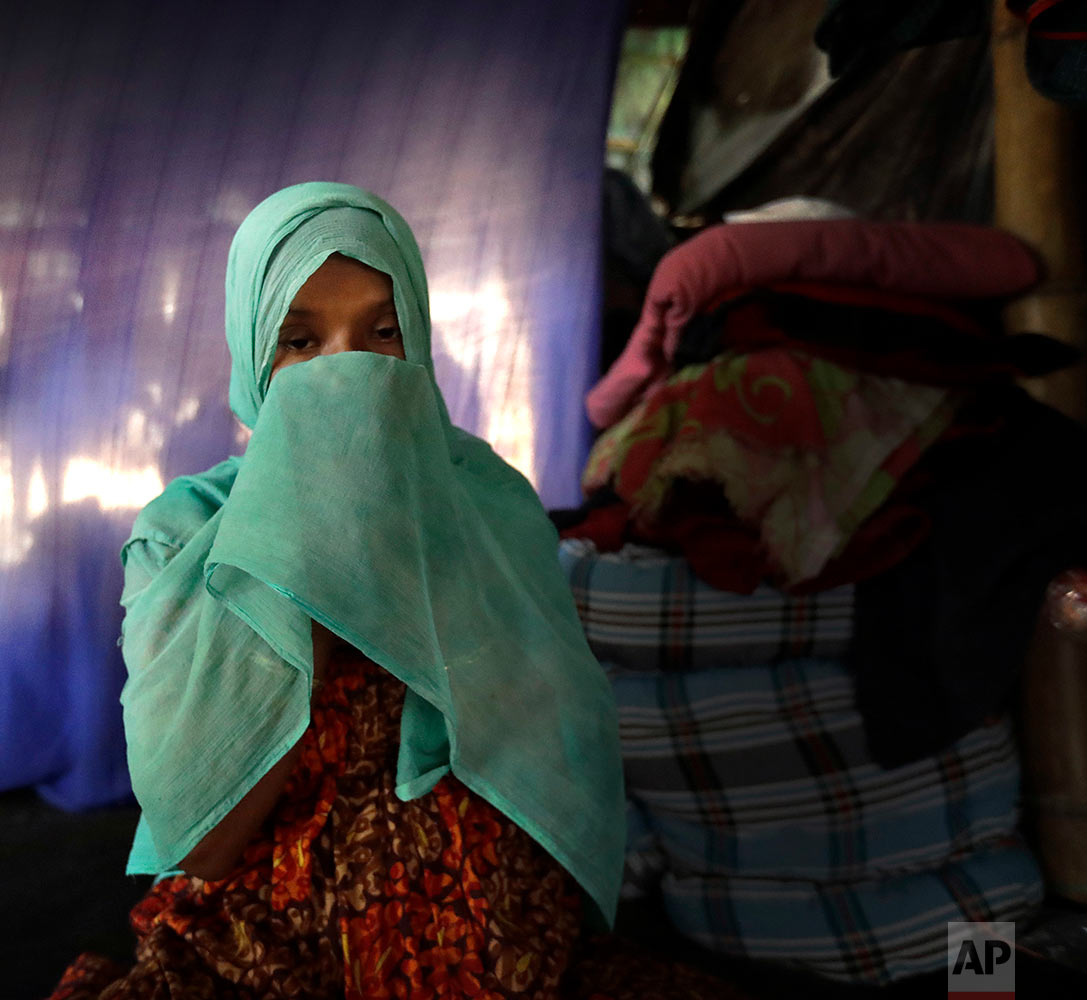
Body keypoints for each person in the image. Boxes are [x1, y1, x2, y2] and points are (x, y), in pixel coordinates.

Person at [44, 183, 713, 1000]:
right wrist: (314, 570)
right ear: (253, 358)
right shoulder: (185, 538)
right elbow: (206, 843)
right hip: (266, 941)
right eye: (300, 341)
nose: (348, 374)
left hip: (489, 935)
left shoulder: (486, 506)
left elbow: (551, 781)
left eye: (381, 333)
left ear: (420, 343)